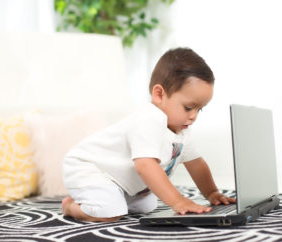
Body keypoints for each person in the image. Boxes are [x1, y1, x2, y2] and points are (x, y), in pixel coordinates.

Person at [62, 47, 236, 222]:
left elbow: (196, 164)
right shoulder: (147, 120)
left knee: (147, 205)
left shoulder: (182, 129)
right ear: (159, 94)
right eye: (189, 107)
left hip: (120, 180)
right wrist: (177, 201)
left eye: (200, 109)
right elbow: (145, 166)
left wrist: (212, 193)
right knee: (110, 212)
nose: (194, 116)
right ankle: (70, 206)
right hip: (89, 168)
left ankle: (114, 197)